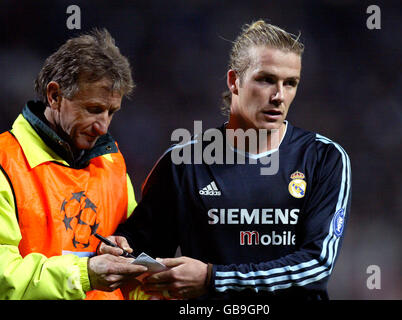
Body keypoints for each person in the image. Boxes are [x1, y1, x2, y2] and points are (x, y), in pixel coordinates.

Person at [104, 20, 352, 300]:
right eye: (266, 79)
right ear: (234, 81)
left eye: (290, 83)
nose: (279, 96)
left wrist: (214, 278)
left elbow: (316, 267)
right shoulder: (183, 163)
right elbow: (140, 252)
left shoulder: (324, 158)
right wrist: (121, 249)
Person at [0, 29, 148, 300]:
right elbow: (4, 279)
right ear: (55, 96)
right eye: (93, 109)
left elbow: (132, 273)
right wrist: (85, 273)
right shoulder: (5, 164)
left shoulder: (112, 163)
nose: (103, 126)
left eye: (111, 112)